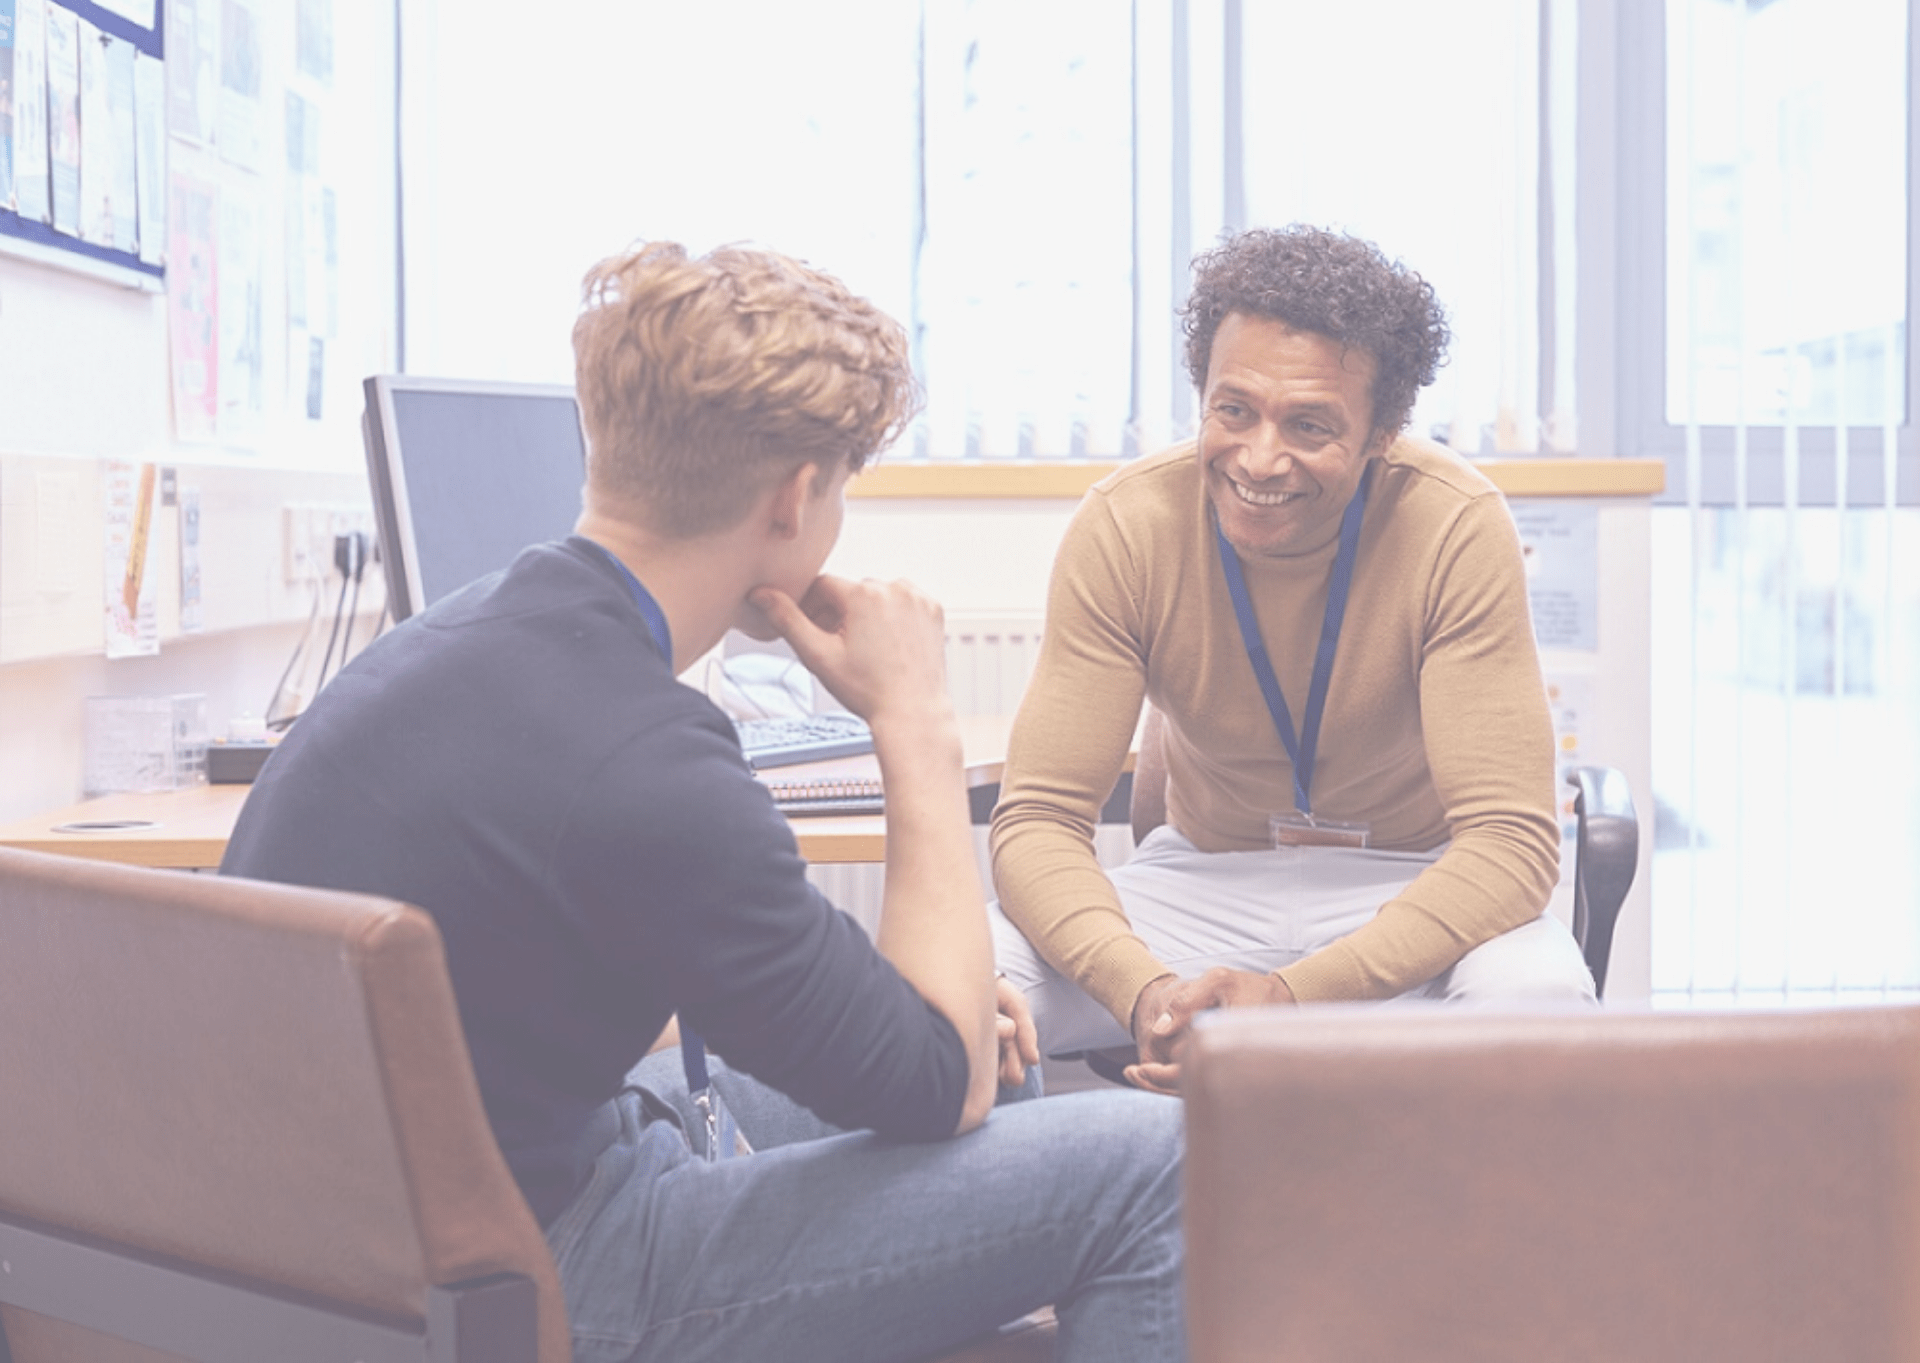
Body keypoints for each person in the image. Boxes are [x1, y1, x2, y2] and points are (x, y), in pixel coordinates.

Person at [223, 241, 1185, 1363]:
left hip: (378, 1233)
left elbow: (896, 1040)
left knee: (1012, 1081)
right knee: (1161, 1158)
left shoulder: (461, 638)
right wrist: (912, 720)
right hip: (537, 1276)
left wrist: (946, 1033)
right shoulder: (646, 760)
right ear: (794, 499)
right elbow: (936, 1085)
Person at [990, 225, 1594, 1094]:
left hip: (1409, 884)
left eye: (1309, 424)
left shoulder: (1455, 525)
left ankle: (1452, 1234)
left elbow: (1510, 845)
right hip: (1202, 885)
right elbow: (1039, 821)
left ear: (1382, 431)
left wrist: (1295, 996)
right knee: (964, 980)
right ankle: (1058, 1218)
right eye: (1234, 409)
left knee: (1539, 1000)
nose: (1260, 458)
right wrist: (1148, 995)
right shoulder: (1127, 525)